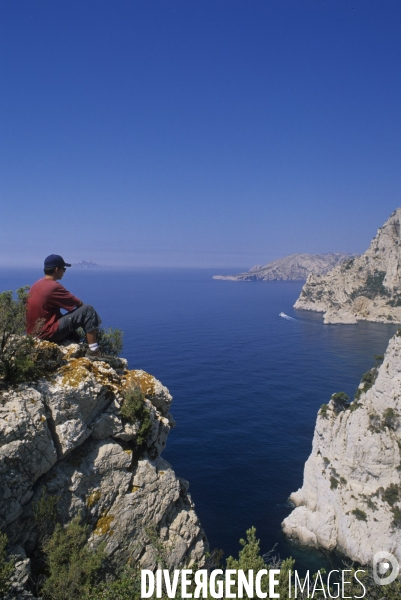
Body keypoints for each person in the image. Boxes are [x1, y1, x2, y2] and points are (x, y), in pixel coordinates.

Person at [26, 254, 111, 361]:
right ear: (57, 269)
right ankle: (94, 352)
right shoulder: (53, 286)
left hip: (34, 333)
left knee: (74, 336)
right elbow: (79, 304)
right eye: (63, 269)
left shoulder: (36, 284)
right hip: (47, 333)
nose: (64, 272)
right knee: (88, 310)